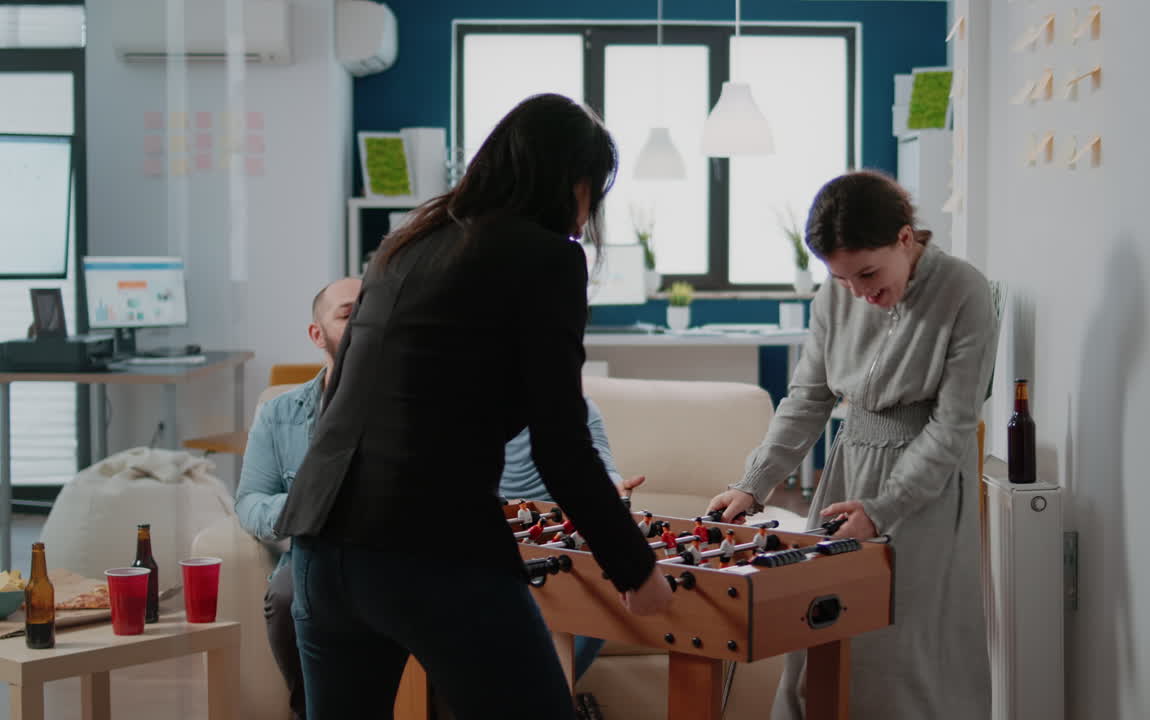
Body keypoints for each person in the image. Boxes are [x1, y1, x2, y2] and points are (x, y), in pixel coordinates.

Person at [273, 93, 672, 720]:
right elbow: (561, 444)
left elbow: (342, 401)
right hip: (428, 548)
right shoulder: (548, 258)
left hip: (320, 545)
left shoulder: (406, 243)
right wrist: (634, 567)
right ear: (574, 182)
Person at [706, 170, 996, 719]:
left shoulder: (964, 291)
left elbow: (953, 426)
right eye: (843, 280)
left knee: (904, 655)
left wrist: (883, 508)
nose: (860, 293)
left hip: (924, 493)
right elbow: (808, 399)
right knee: (817, 639)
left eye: (868, 273)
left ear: (906, 239)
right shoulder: (834, 299)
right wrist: (753, 482)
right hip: (844, 481)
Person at [234, 276, 360, 720]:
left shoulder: (416, 401)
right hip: (315, 552)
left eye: (372, 311)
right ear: (316, 334)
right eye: (347, 314)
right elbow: (249, 501)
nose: (363, 321)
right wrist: (306, 507)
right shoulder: (280, 413)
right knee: (288, 597)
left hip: (397, 553)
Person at [499, 404, 644, 680]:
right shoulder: (475, 406)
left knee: (605, 594)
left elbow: (600, 462)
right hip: (495, 535)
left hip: (561, 536)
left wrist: (611, 487)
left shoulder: (581, 408)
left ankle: (546, 698)